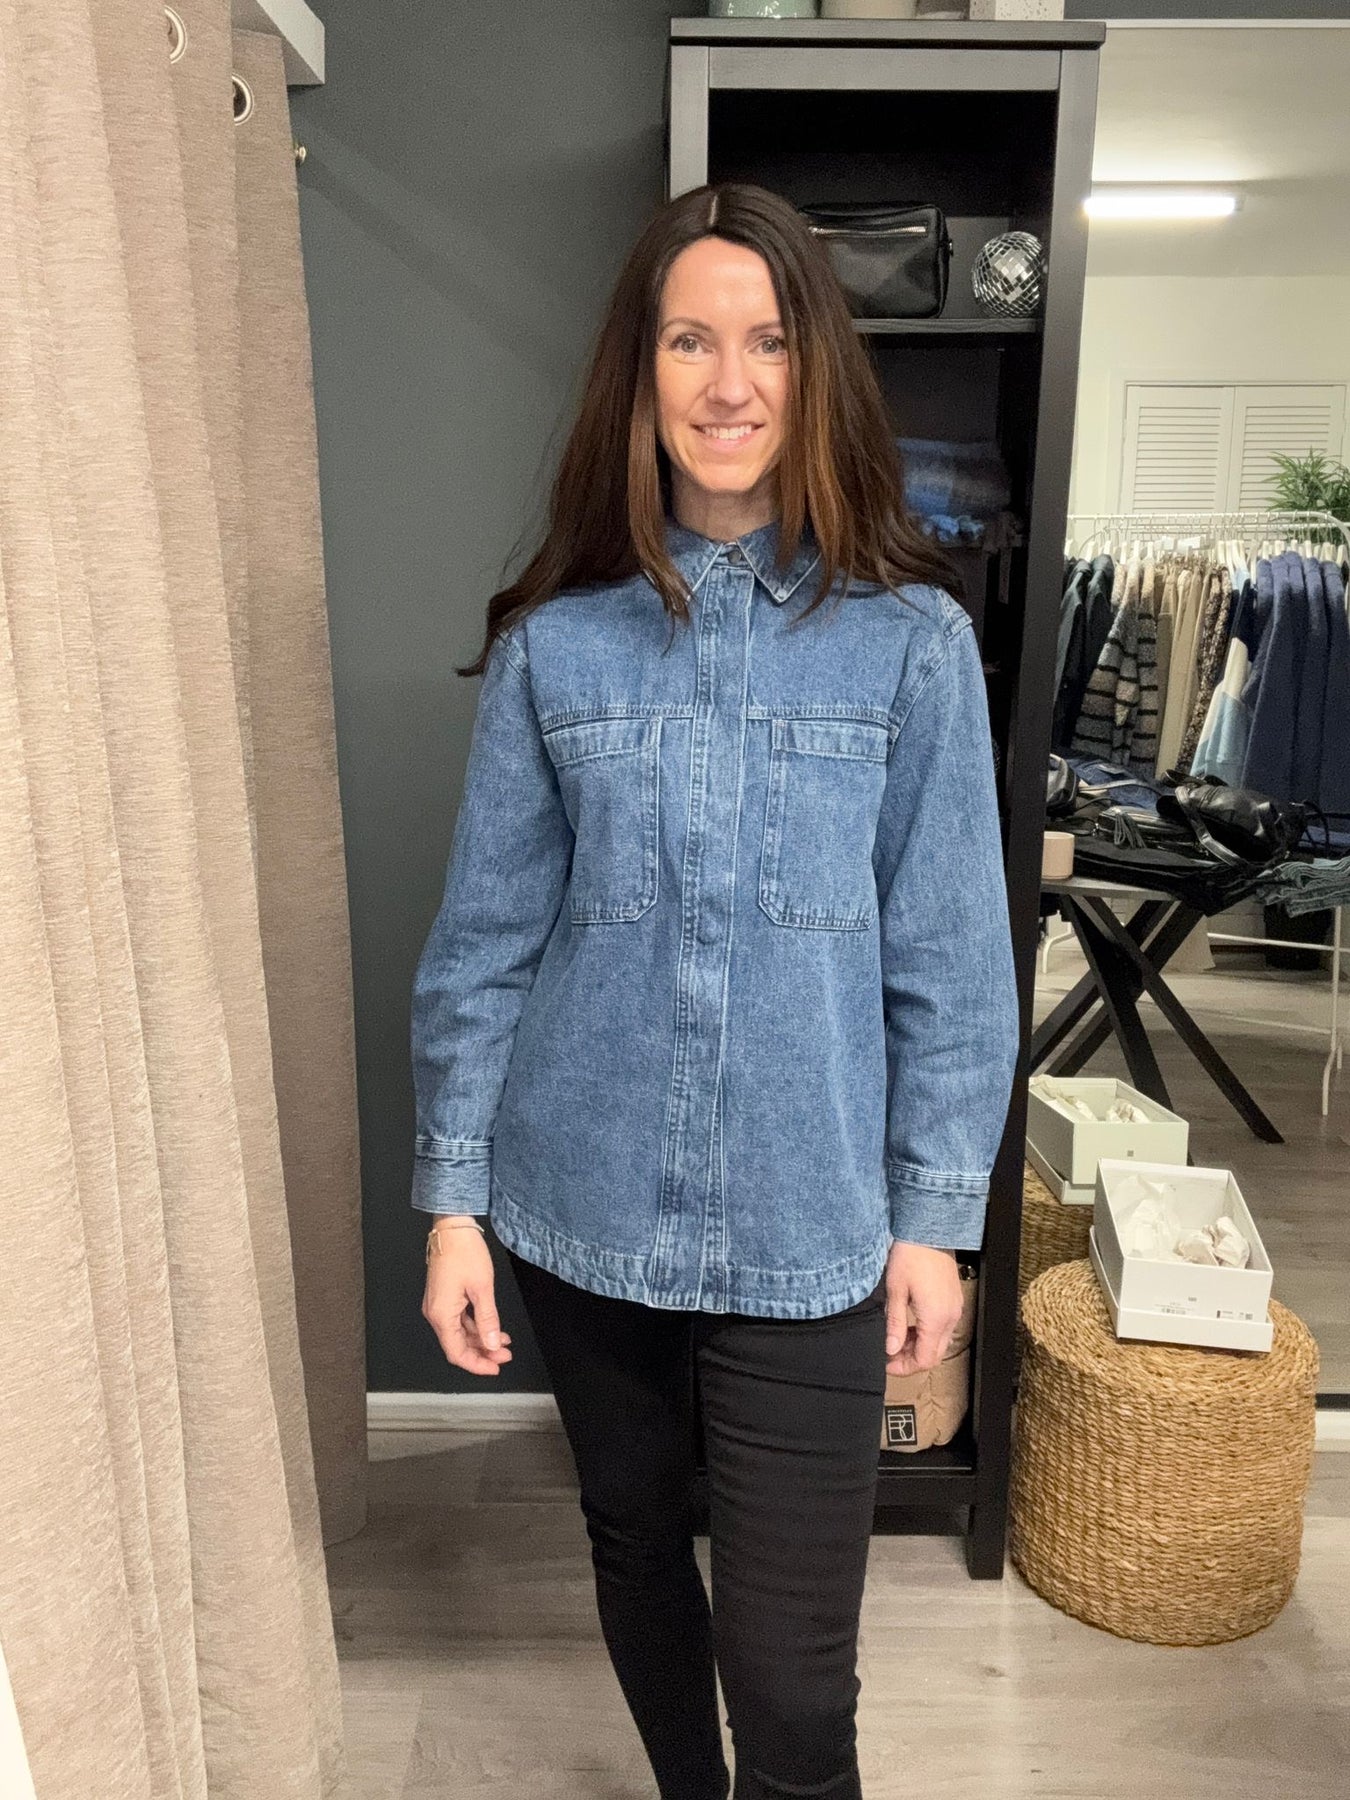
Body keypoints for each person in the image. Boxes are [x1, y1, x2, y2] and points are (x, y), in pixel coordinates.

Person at [409, 182, 1019, 1800]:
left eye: (766, 341)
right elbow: (483, 946)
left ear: (816, 372)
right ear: (642, 371)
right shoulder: (556, 648)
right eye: (689, 340)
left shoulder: (908, 647)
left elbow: (952, 964)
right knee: (631, 1546)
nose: (729, 382)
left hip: (809, 1227)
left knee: (793, 1683)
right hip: (580, 1201)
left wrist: (933, 1220)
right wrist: (455, 1203)